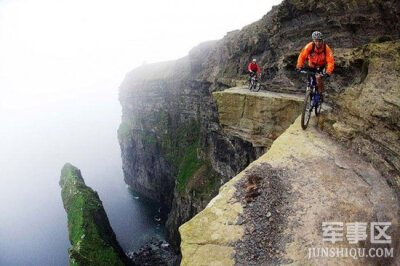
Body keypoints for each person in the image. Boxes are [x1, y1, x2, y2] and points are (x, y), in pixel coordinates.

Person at [296, 31, 334, 100]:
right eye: (316, 41)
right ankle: (309, 96)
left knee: (318, 78)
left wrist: (328, 72)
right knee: (310, 83)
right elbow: (302, 56)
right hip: (311, 66)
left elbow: (330, 61)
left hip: (321, 67)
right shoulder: (309, 46)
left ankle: (321, 93)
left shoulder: (326, 48)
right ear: (313, 41)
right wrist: (299, 66)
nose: (318, 43)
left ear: (322, 40)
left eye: (319, 41)